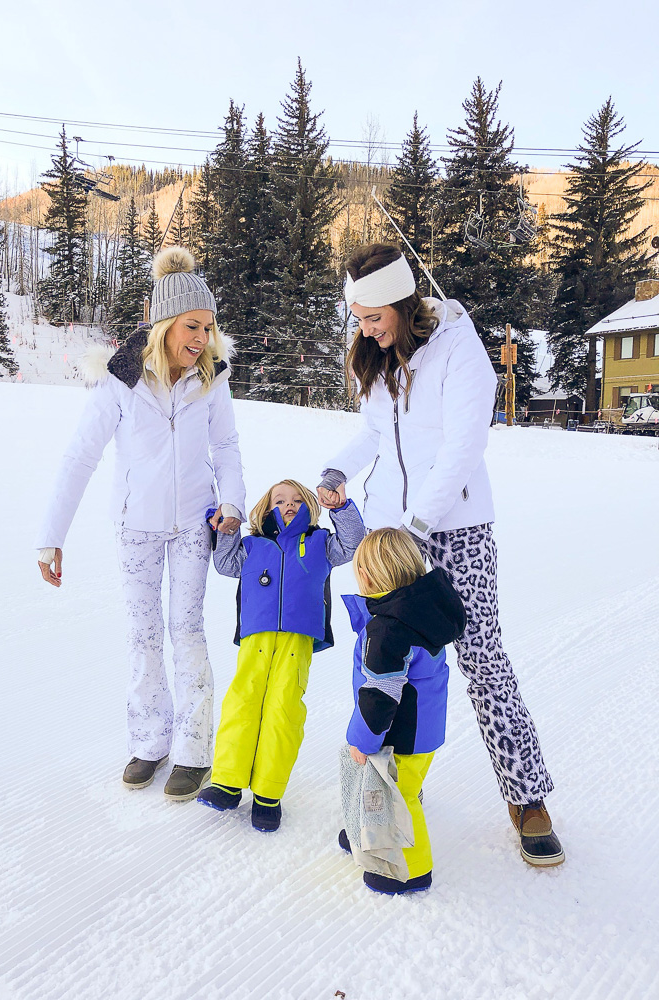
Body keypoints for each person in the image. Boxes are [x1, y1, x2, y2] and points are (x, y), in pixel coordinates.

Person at [319, 243, 564, 866]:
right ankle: (383, 792)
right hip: (389, 536)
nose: (365, 329)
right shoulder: (375, 360)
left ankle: (527, 796)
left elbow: (462, 447)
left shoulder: (460, 347)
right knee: (382, 665)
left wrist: (417, 525)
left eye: (374, 316)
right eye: (359, 318)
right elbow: (376, 433)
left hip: (456, 531)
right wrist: (336, 469)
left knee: (481, 659)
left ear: (403, 301)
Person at [35, 247, 246, 802]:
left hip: (195, 525)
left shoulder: (212, 378)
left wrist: (234, 503)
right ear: (164, 323)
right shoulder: (122, 378)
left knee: (186, 630)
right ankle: (150, 741)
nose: (201, 338)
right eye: (191, 326)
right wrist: (50, 537)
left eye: (208, 327)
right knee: (143, 634)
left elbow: (225, 446)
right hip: (136, 528)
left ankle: (194, 750)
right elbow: (81, 455)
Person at [197, 479, 365, 831]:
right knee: (243, 701)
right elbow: (225, 564)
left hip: (297, 639)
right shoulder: (253, 544)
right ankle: (227, 781)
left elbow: (352, 543)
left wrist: (341, 508)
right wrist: (227, 527)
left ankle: (268, 794)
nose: (288, 504)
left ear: (308, 504)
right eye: (280, 499)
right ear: (266, 507)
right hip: (256, 634)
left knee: (282, 709)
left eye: (296, 499)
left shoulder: (320, 543)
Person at [338, 527, 466, 895]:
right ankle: (363, 829)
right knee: (388, 786)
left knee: (400, 798)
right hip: (425, 729)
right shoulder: (420, 609)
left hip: (400, 734)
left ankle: (411, 871)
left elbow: (381, 693)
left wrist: (363, 738)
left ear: (366, 576)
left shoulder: (389, 629)